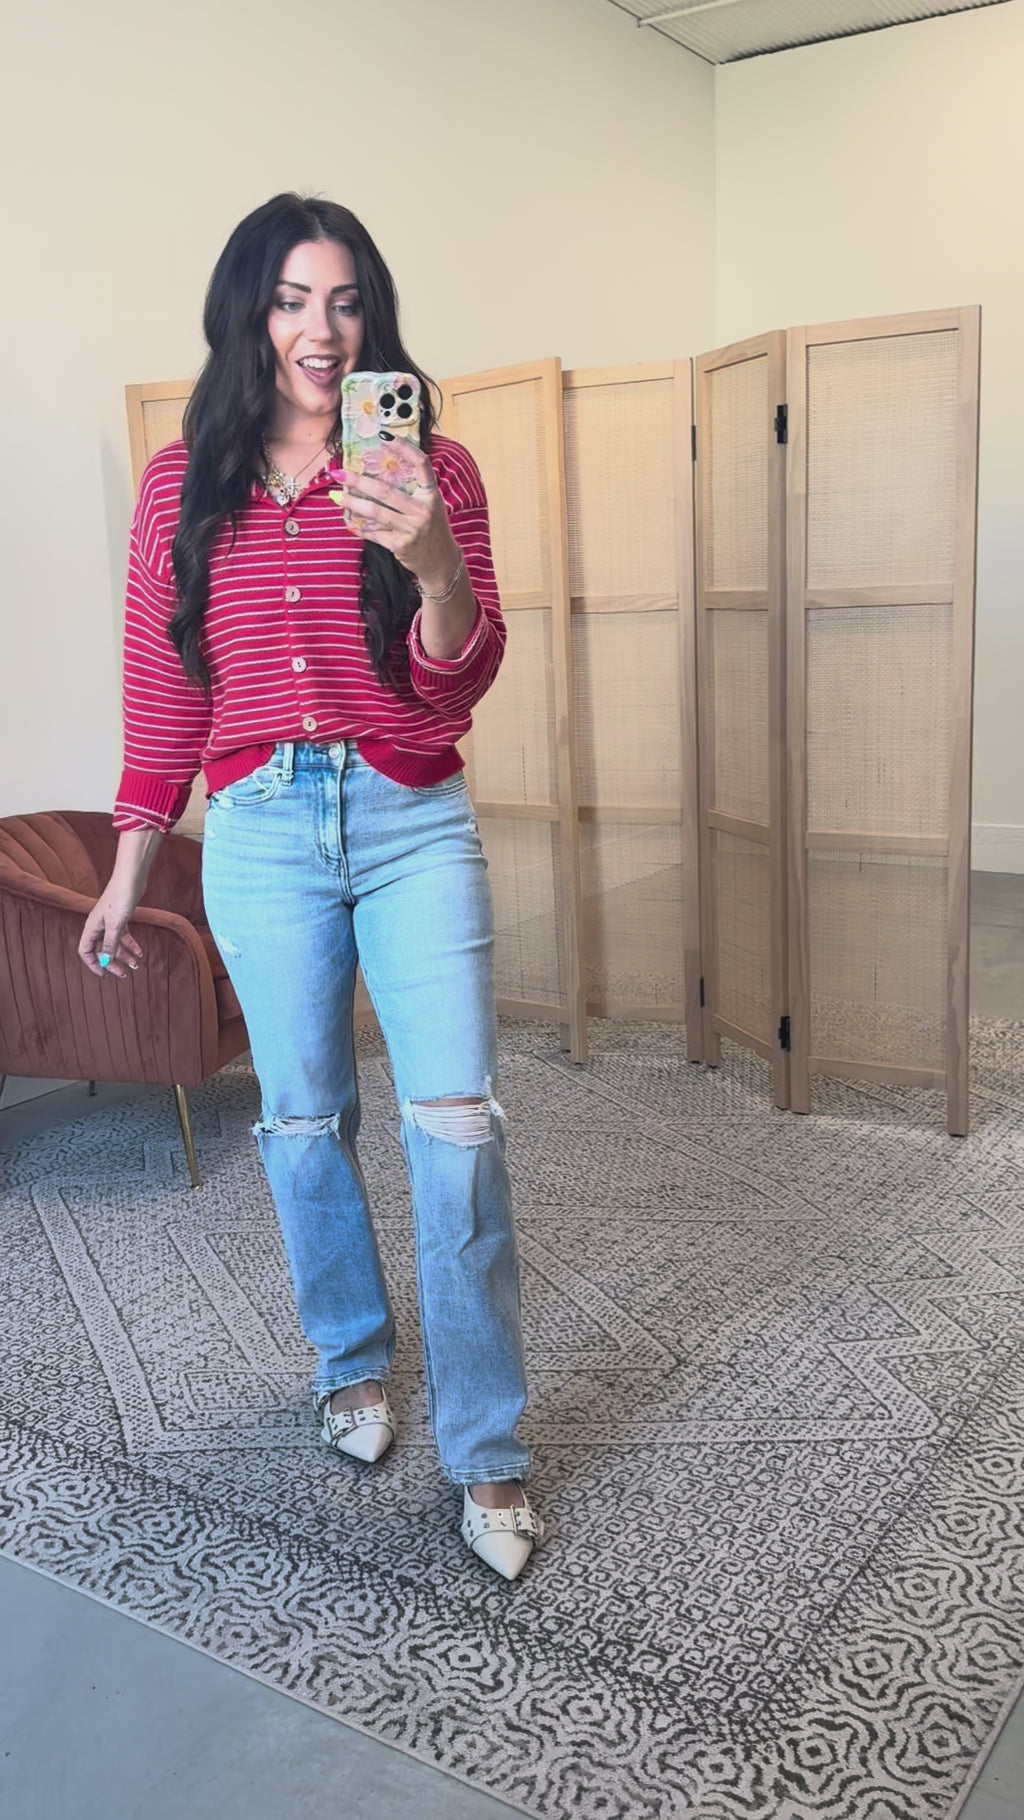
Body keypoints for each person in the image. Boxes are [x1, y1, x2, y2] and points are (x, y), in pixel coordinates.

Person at [78, 193, 542, 1581]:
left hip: (409, 816)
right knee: (301, 1122)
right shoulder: (185, 481)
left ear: (372, 316)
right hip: (264, 833)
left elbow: (457, 679)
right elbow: (166, 684)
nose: (320, 331)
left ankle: (487, 1445)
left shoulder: (432, 469)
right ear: (250, 313)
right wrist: (128, 865)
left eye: (344, 301)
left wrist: (434, 563)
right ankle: (352, 1363)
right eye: (291, 300)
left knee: (455, 1129)